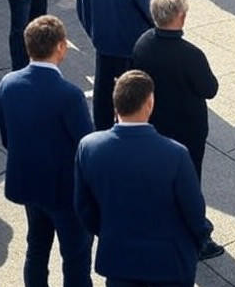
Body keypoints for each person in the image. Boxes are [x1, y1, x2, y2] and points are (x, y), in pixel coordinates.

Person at [74, 70, 207, 287]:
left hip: (119, 262)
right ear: (149, 104)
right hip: (169, 264)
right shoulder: (175, 154)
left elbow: (84, 207)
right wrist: (196, 243)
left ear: (115, 106)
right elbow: (194, 211)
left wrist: (108, 232)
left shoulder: (89, 148)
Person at [0, 16, 93, 287]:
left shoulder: (8, 84)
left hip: (28, 185)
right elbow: (87, 147)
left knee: (36, 249)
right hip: (64, 193)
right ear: (61, 47)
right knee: (75, 257)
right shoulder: (69, 95)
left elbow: (7, 137)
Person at [131, 0, 223, 261]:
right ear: (181, 18)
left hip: (155, 125)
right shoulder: (190, 54)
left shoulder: (142, 43)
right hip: (187, 130)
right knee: (190, 181)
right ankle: (198, 236)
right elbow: (210, 89)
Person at [76, 0, 154, 129]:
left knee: (103, 94)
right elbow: (150, 11)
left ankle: (101, 129)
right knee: (133, 93)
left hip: (104, 45)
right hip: (131, 47)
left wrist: (95, 34)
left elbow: (82, 10)